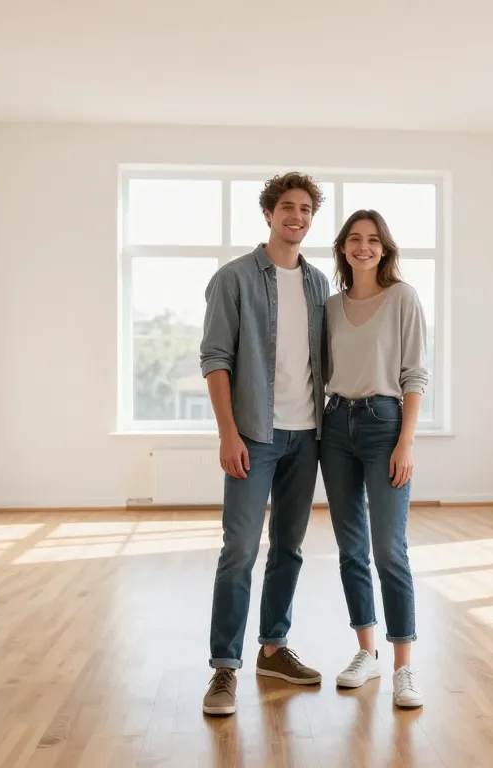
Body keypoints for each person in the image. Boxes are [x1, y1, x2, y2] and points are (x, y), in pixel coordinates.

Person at [198, 172, 331, 716]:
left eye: (306, 210)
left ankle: (273, 649)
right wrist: (228, 432)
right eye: (287, 207)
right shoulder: (233, 279)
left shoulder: (320, 284)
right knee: (240, 550)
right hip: (254, 435)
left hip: (308, 436)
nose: (297, 217)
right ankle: (224, 667)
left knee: (289, 548)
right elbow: (215, 359)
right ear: (269, 213)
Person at [319, 209, 428, 709]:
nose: (363, 247)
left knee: (390, 550)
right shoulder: (330, 307)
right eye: (354, 239)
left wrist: (406, 442)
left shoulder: (403, 297)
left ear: (384, 249)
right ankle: (367, 652)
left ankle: (404, 666)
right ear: (343, 248)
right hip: (335, 427)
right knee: (351, 548)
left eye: (373, 240)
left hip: (385, 424)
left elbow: (415, 374)